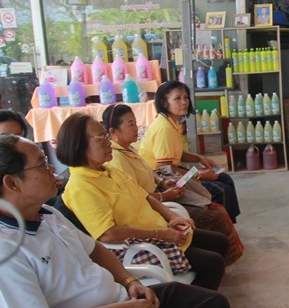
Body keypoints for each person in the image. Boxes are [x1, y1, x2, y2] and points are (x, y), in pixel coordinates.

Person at [0, 134, 229, 308]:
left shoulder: (47, 214)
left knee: (213, 307)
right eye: (42, 163)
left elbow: (95, 250)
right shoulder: (6, 250)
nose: (52, 168)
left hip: (120, 304)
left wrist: (130, 282)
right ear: (12, 183)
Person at [56, 113, 228, 290]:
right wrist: (161, 234)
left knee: (220, 242)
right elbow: (109, 234)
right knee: (213, 264)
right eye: (101, 137)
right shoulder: (80, 186)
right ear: (78, 145)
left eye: (106, 135)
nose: (108, 142)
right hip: (141, 246)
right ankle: (190, 305)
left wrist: (173, 216)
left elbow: (144, 195)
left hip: (159, 231)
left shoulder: (108, 170)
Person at [102, 104, 243, 266]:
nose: (183, 103)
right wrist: (169, 193)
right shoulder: (119, 158)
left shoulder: (130, 147)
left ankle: (220, 253)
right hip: (155, 202)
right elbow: (140, 194)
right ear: (113, 132)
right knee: (216, 210)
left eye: (135, 123)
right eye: (130, 124)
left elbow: (149, 169)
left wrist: (162, 181)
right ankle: (217, 257)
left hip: (161, 190)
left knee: (223, 184)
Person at [139, 81, 241, 223]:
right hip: (163, 180)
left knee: (225, 178)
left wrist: (199, 158)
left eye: (186, 97)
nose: (184, 102)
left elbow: (177, 153)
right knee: (219, 190)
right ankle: (223, 226)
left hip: (173, 171)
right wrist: (199, 175)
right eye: (177, 98)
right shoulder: (164, 128)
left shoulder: (172, 122)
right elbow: (166, 169)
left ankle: (230, 225)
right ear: (164, 102)